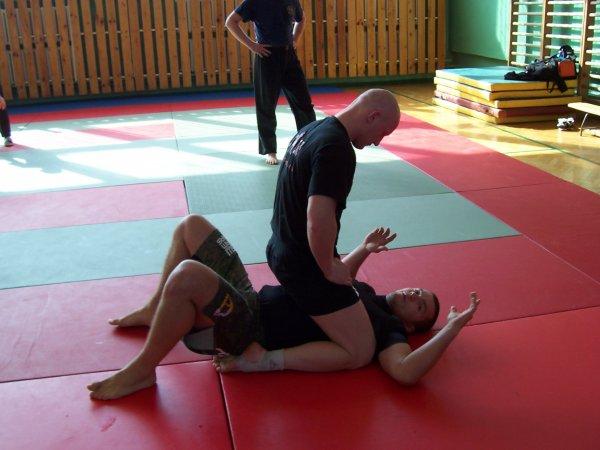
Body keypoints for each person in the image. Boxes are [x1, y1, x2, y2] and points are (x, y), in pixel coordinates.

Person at [87, 213, 480, 400]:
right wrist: (364, 248)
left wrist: (450, 328)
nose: (413, 295)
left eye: (419, 306)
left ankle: (143, 369)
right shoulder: (366, 293)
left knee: (189, 274)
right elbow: (340, 277)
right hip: (249, 297)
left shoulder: (386, 331)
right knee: (192, 226)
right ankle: (154, 308)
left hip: (246, 329)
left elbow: (407, 372)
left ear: (410, 327)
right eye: (417, 290)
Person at [265, 88, 401, 376]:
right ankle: (263, 360)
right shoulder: (336, 149)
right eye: (383, 132)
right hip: (302, 264)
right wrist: (327, 266)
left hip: (279, 248)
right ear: (372, 116)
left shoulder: (312, 130)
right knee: (361, 351)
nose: (378, 142)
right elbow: (318, 217)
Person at [226, 0, 316, 165]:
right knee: (266, 105)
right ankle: (270, 151)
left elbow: (301, 19)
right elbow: (231, 22)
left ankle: (311, 144)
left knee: (304, 103)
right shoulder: (254, 2)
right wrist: (252, 45)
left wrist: (295, 39)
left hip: (289, 55)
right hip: (266, 56)